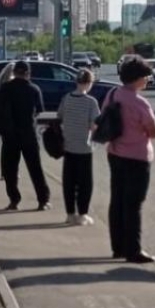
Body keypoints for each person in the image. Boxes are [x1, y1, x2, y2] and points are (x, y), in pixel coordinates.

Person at [106, 56, 155, 263]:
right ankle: (133, 250)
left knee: (117, 201)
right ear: (137, 78)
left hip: (115, 153)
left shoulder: (113, 94)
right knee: (134, 204)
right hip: (137, 158)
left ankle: (118, 247)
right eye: (145, 77)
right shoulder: (140, 103)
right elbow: (154, 132)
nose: (147, 80)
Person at [0, 61, 51, 211]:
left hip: (9, 135)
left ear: (14, 73)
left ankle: (14, 200)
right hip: (28, 134)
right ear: (27, 73)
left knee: (10, 170)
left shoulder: (5, 88)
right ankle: (43, 200)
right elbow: (39, 110)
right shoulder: (34, 89)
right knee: (35, 168)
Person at [56, 69, 101, 226]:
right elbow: (94, 124)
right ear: (89, 83)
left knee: (69, 182)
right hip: (84, 147)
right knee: (85, 183)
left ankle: (70, 214)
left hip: (68, 145)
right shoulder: (91, 102)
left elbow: (60, 116)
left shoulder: (66, 98)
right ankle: (82, 214)